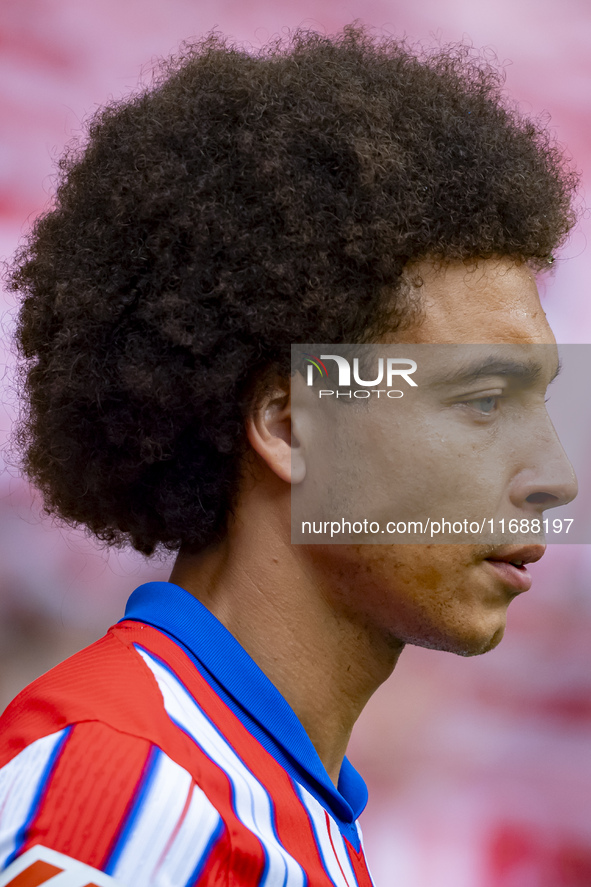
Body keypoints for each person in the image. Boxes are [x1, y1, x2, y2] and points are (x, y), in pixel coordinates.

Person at [0, 25, 579, 886]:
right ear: (289, 423)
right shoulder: (133, 798)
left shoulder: (271, 807)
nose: (554, 479)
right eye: (482, 401)